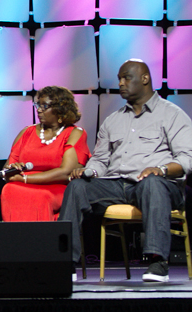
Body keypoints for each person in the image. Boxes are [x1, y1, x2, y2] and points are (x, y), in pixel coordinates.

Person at [60, 59, 192, 282]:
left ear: (145, 78)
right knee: (77, 187)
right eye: (119, 78)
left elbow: (187, 159)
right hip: (116, 184)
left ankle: (157, 261)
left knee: (152, 183)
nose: (120, 83)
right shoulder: (113, 120)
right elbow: (101, 160)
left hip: (158, 185)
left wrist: (160, 169)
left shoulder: (172, 114)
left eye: (126, 78)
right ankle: (64, 263)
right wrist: (89, 171)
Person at [0, 86, 91, 221]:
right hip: (21, 184)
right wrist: (13, 170)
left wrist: (25, 179)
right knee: (9, 189)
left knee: (40, 196)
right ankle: (15, 241)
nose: (39, 109)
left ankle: (41, 241)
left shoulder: (74, 133)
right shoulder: (26, 132)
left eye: (45, 106)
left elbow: (65, 172)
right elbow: (7, 169)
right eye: (38, 105)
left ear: (61, 109)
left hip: (57, 188)